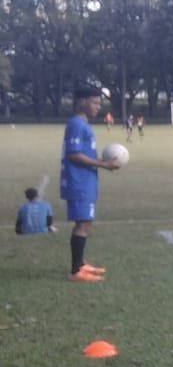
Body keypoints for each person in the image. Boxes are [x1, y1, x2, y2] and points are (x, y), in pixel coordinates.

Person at [61, 86, 119, 282]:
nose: (98, 107)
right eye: (95, 102)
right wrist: (103, 164)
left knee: (85, 222)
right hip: (79, 182)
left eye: (99, 103)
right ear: (81, 102)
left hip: (86, 180)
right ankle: (76, 270)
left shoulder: (83, 124)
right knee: (83, 223)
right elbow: (74, 154)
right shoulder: (76, 124)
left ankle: (81, 264)